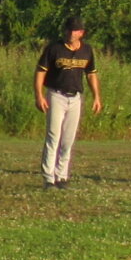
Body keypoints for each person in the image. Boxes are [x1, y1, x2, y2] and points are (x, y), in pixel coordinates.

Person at [34, 19, 103, 187]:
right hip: (56, 94)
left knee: (68, 139)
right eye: (69, 30)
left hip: (75, 97)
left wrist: (96, 97)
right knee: (53, 136)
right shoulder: (54, 48)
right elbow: (40, 72)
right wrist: (39, 95)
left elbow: (91, 74)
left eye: (75, 30)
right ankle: (49, 177)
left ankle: (62, 175)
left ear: (81, 33)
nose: (71, 33)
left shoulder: (86, 50)